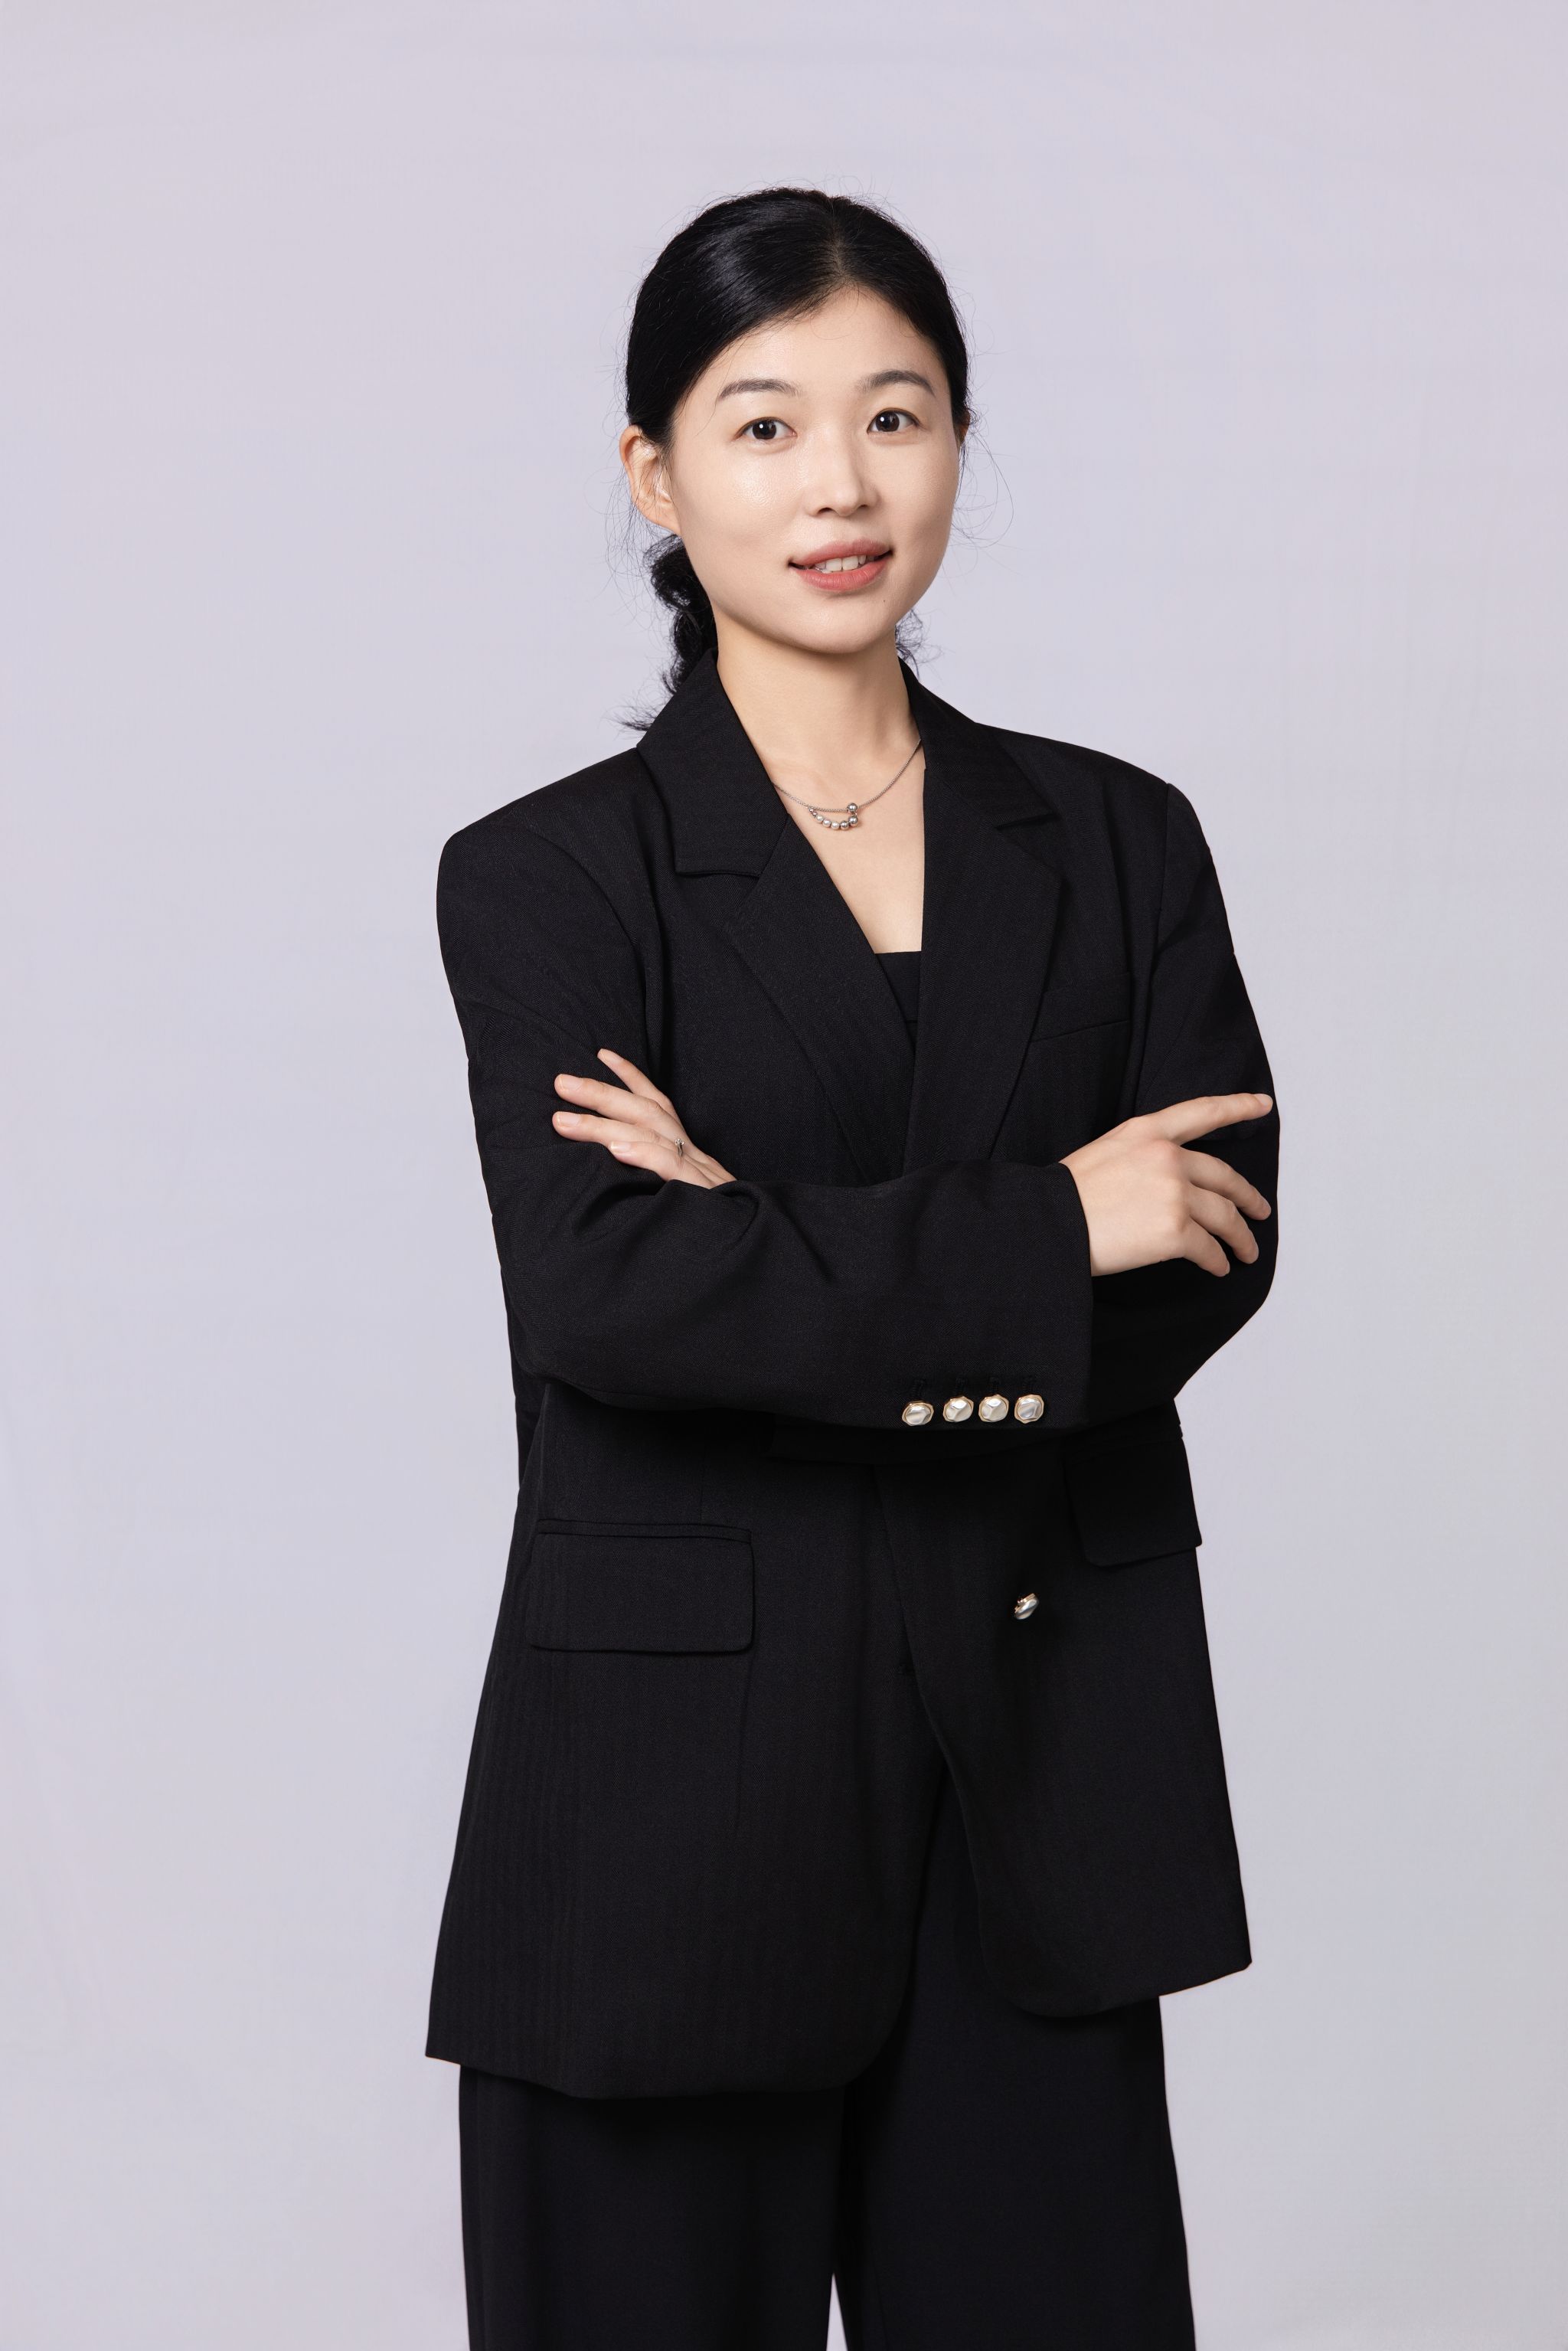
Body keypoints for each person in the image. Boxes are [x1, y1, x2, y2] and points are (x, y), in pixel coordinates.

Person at [427, 186, 1278, 2350]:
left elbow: (1208, 1254)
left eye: (895, 417)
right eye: (766, 424)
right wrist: (1047, 1222)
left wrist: (760, 1237)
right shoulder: (550, 879)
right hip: (664, 1822)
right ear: (656, 474)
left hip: (1039, 1775)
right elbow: (611, 1295)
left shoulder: (1117, 841)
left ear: (962, 443)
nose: (841, 485)